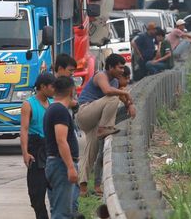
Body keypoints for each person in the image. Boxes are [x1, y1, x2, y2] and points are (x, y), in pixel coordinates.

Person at [75, 54, 135, 197]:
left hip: (94, 119)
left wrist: (130, 104)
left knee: (90, 152)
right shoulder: (101, 75)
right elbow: (108, 92)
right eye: (120, 67)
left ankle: (82, 188)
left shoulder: (114, 82)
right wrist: (126, 94)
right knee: (112, 97)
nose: (122, 70)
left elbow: (120, 97)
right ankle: (105, 128)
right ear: (110, 67)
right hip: (85, 113)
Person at [21, 72, 56, 219]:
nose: (54, 89)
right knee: (36, 194)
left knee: (56, 190)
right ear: (42, 87)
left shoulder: (53, 104)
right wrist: (25, 153)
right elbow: (24, 129)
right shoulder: (28, 104)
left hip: (51, 150)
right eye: (52, 86)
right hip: (36, 150)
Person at [44, 76, 80, 219]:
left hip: (57, 164)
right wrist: (70, 167)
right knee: (62, 214)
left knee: (59, 210)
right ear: (71, 91)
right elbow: (61, 140)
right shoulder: (60, 111)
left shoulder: (53, 108)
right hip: (61, 165)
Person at [93, 65, 132, 196]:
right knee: (100, 154)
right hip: (100, 122)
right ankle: (97, 184)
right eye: (126, 78)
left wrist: (130, 104)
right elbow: (121, 99)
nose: (128, 82)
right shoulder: (112, 87)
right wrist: (127, 100)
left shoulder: (116, 85)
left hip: (106, 120)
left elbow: (127, 104)